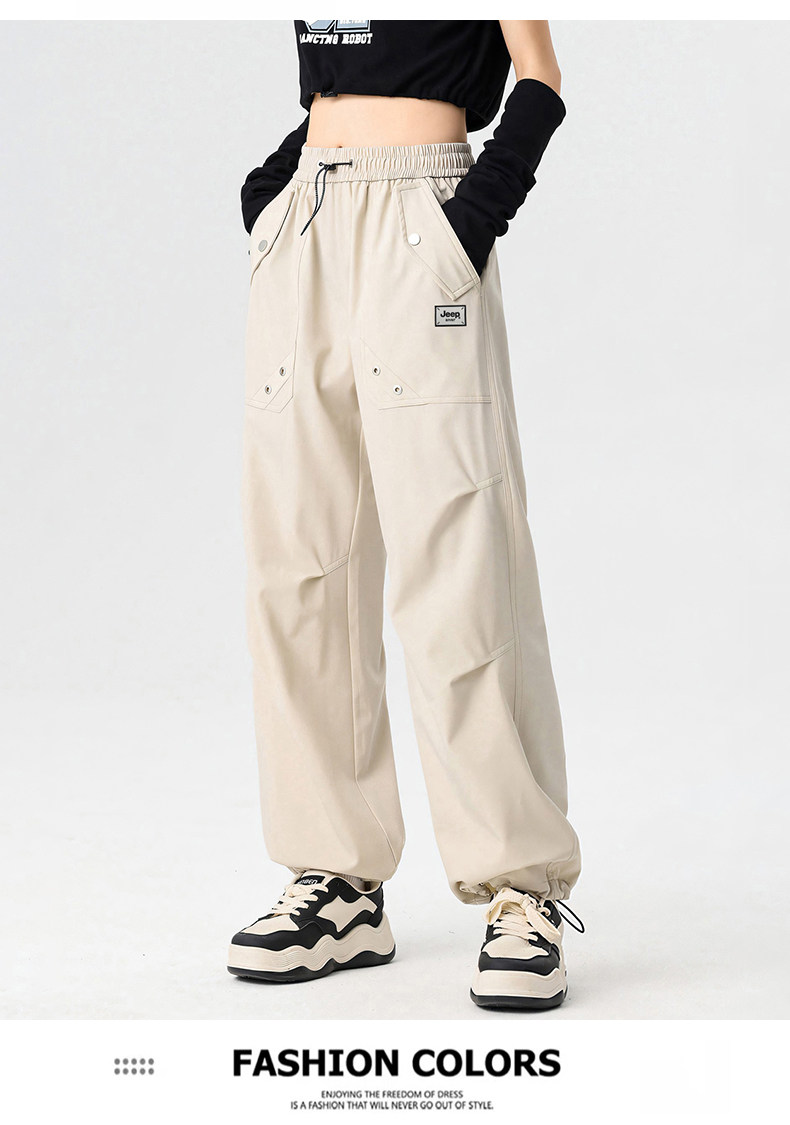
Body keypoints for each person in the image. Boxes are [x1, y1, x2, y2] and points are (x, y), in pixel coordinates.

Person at [227, 20, 583, 1011]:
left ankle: (521, 886)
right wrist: (271, 196)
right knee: (299, 570)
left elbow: (541, 78)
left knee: (458, 564)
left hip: (422, 219)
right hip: (306, 223)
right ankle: (336, 880)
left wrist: (469, 221)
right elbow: (329, 95)